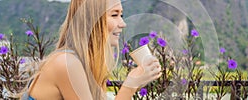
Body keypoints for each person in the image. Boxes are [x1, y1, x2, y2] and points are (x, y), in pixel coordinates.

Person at [20, 0, 162, 99]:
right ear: (91, 20)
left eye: (122, 15)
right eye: (114, 15)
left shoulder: (89, 65)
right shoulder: (66, 63)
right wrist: (130, 85)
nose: (123, 23)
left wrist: (137, 82)